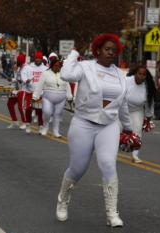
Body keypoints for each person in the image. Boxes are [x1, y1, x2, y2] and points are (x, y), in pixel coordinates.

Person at [56, 34, 133, 228]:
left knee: (108, 164)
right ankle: (63, 199)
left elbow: (122, 104)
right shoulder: (85, 67)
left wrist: (130, 129)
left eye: (114, 51)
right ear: (97, 49)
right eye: (107, 49)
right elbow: (65, 75)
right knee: (78, 169)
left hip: (109, 125)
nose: (111, 53)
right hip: (83, 123)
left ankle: (112, 213)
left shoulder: (120, 75)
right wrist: (74, 53)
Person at [33, 57, 72, 137]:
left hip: (61, 98)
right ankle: (45, 127)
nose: (57, 67)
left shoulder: (63, 74)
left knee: (57, 114)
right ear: (52, 65)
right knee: (47, 112)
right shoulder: (45, 73)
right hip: (48, 97)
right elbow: (39, 85)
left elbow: (67, 85)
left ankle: (56, 131)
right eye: (56, 66)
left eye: (59, 66)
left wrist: (69, 96)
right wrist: (35, 96)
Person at [125, 65, 156, 163]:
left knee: (137, 131)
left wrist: (149, 116)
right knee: (117, 129)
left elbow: (149, 103)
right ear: (135, 73)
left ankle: (135, 155)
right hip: (122, 109)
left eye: (144, 75)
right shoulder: (126, 81)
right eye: (139, 74)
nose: (141, 76)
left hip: (137, 110)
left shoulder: (148, 87)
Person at [20, 51, 47, 133]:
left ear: (42, 59)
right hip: (29, 92)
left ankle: (41, 126)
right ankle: (28, 124)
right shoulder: (28, 67)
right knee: (28, 109)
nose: (38, 60)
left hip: (40, 93)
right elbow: (23, 75)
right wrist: (26, 80)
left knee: (39, 110)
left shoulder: (45, 68)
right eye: (36, 58)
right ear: (34, 59)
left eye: (39, 58)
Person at [7, 53, 27, 129]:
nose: (16, 62)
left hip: (23, 90)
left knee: (20, 107)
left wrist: (13, 79)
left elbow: (23, 80)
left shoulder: (25, 68)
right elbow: (17, 79)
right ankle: (15, 121)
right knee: (10, 103)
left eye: (17, 61)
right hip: (17, 90)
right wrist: (12, 78)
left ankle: (25, 122)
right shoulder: (19, 68)